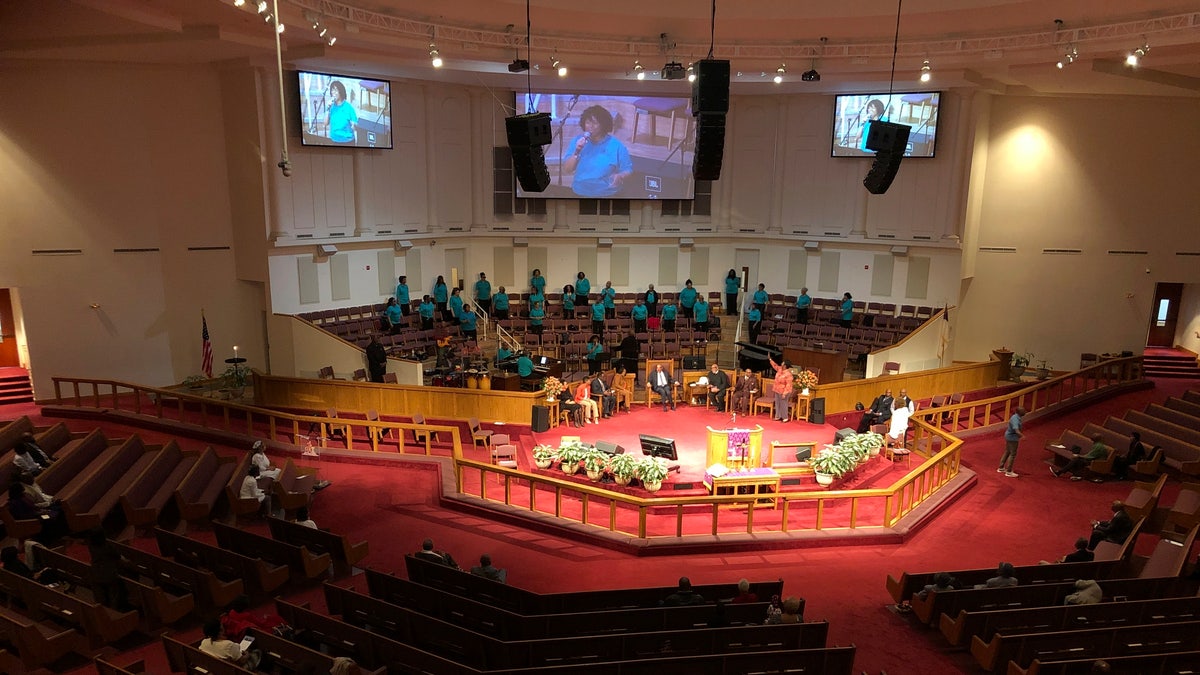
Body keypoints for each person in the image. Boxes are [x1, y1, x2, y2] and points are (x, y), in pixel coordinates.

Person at [563, 105, 632, 198]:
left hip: (607, 194)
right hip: (580, 192)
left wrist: (620, 176)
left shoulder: (616, 145)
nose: (590, 127)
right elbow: (568, 169)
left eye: (595, 123)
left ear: (603, 125)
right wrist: (577, 151)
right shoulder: (577, 141)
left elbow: (627, 169)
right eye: (588, 123)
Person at [88, 528, 129, 611]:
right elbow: (117, 556)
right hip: (109, 575)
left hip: (96, 574)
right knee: (113, 596)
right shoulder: (108, 546)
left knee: (101, 598)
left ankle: (103, 612)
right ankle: (114, 612)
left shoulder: (91, 546)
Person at [221, 594, 290, 642]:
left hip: (241, 633)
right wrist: (267, 618)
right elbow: (260, 624)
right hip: (251, 633)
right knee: (274, 619)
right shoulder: (247, 615)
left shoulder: (231, 612)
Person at [997, 407, 1026, 477]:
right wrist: (1022, 436)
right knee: (1012, 454)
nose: (1025, 411)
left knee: (1007, 451)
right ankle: (1009, 471)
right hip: (1012, 438)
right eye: (1024, 411)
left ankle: (1001, 467)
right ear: (1019, 412)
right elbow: (1016, 430)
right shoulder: (1016, 419)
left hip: (1009, 436)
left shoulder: (1015, 416)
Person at [326, 80, 358, 145]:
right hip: (334, 140)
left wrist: (354, 125)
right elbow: (325, 123)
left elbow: (355, 125)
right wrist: (327, 109)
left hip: (347, 141)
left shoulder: (349, 107)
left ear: (341, 92)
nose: (333, 93)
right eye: (332, 90)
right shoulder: (331, 107)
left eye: (336, 90)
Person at [767, 355, 794, 422]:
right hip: (777, 390)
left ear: (785, 366)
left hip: (784, 391)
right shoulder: (779, 369)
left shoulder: (788, 374)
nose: (781, 363)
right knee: (777, 403)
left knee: (783, 404)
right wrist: (770, 359)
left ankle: (785, 417)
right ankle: (778, 416)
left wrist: (784, 393)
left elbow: (788, 385)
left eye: (782, 363)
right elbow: (775, 365)